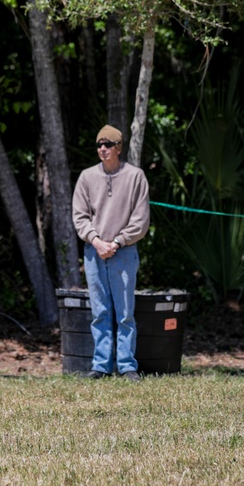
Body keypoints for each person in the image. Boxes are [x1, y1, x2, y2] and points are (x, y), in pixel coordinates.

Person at [72, 125, 150, 382]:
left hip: (124, 252)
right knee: (100, 312)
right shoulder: (86, 177)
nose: (102, 149)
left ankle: (127, 365)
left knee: (125, 312)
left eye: (107, 144)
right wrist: (96, 241)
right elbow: (80, 216)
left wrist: (116, 242)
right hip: (94, 252)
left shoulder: (136, 176)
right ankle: (101, 366)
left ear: (118, 148)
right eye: (99, 145)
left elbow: (140, 220)